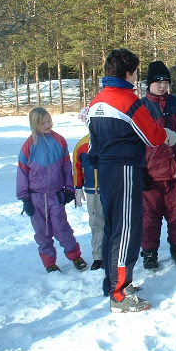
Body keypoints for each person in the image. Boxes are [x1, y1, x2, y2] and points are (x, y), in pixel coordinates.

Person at [88, 49, 175, 313]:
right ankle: (120, 293)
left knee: (113, 226)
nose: (137, 75)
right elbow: (152, 137)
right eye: (136, 71)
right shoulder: (128, 101)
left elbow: (93, 143)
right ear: (128, 72)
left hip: (106, 170)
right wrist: (165, 134)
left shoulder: (97, 101)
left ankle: (112, 283)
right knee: (126, 229)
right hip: (124, 168)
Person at [17, 107, 88, 273]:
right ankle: (49, 262)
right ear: (34, 125)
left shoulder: (59, 141)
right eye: (43, 123)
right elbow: (22, 172)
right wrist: (25, 198)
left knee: (62, 228)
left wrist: (69, 188)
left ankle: (75, 255)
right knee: (42, 232)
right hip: (36, 197)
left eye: (49, 121)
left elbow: (66, 166)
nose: (47, 125)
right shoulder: (28, 146)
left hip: (56, 195)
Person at [140, 61, 176, 269]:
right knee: (149, 217)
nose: (162, 86)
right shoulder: (140, 108)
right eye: (158, 81)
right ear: (149, 83)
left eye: (166, 81)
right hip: (151, 175)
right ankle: (149, 253)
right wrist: (139, 170)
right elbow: (133, 142)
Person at [72, 108, 105, 271]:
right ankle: (98, 255)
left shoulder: (110, 142)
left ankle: (115, 252)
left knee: (113, 222)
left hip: (111, 189)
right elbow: (77, 168)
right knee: (96, 222)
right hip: (92, 190)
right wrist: (78, 187)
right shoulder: (82, 145)